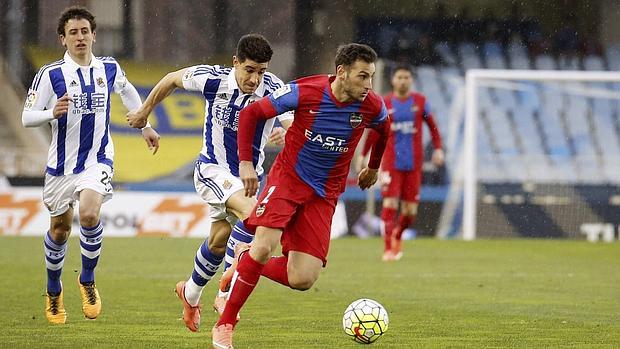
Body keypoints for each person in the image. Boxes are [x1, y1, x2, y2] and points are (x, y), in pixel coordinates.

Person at [211, 43, 390, 349]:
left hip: (325, 194)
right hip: (289, 180)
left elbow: (384, 129)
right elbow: (253, 113)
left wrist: (373, 167)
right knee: (264, 247)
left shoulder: (371, 105)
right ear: (342, 72)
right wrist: (245, 163)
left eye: (371, 77)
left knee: (303, 279)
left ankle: (243, 258)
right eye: (363, 76)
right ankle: (225, 324)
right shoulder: (305, 92)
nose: (368, 85)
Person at [126, 34, 292, 333]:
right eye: (250, 70)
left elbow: (294, 123)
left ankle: (189, 293)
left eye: (261, 71)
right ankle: (226, 293)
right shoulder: (212, 79)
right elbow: (172, 79)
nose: (255, 79)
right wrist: (143, 112)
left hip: (248, 178)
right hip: (212, 170)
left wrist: (287, 133)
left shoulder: (275, 89)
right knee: (254, 216)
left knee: (217, 243)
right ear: (235, 62)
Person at [21, 6, 160, 324]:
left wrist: (145, 125)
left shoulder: (109, 68)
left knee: (89, 214)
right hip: (60, 166)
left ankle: (86, 280)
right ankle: (53, 290)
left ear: (94, 35)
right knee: (59, 230)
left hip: (97, 159)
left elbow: (128, 93)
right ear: (63, 39)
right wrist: (50, 113)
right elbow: (27, 117)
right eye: (73, 32)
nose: (80, 37)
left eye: (85, 31)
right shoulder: (50, 74)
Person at [361, 65, 444, 261]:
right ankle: (389, 249)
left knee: (410, 212)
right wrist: (363, 155)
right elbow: (375, 131)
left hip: (414, 163)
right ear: (393, 80)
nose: (403, 81)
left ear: (411, 80)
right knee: (390, 203)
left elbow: (432, 126)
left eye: (407, 77)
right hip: (391, 163)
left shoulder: (420, 102)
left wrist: (438, 148)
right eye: (400, 77)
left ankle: (398, 234)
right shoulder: (386, 102)